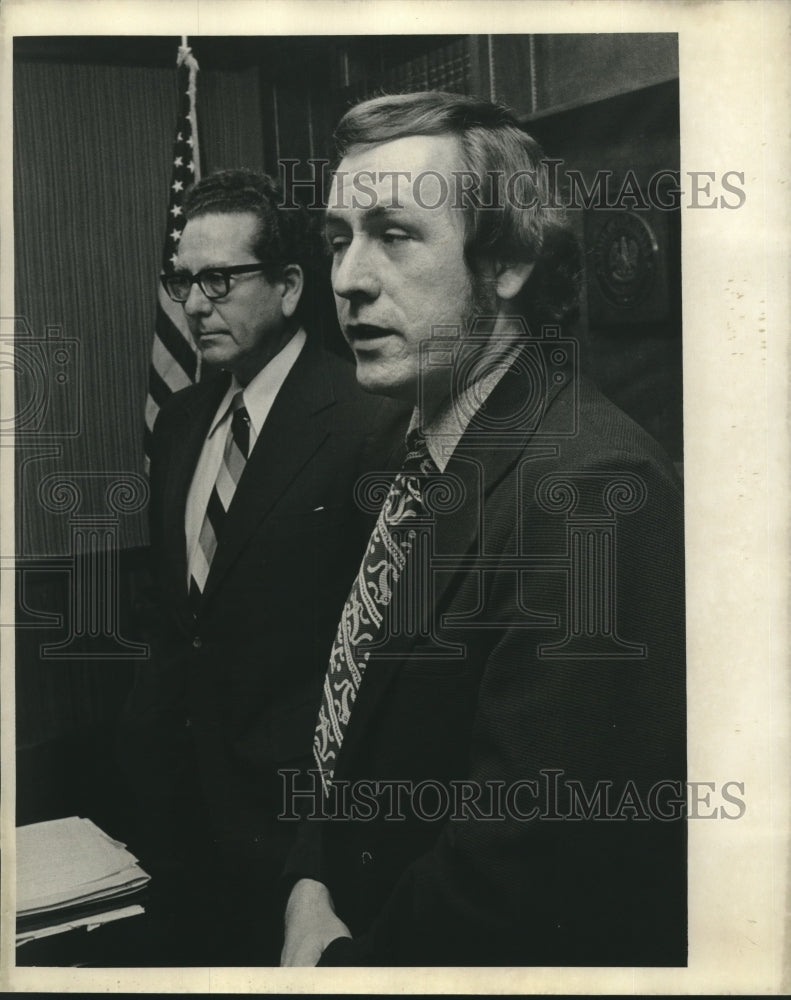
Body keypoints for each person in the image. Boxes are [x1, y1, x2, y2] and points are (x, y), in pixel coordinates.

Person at [280, 92, 686, 967]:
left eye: (393, 234)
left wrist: (336, 968)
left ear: (504, 263)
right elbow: (358, 717)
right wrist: (310, 879)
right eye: (337, 239)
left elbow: (530, 878)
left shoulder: (592, 489)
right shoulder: (407, 443)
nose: (347, 278)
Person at [119, 169, 403, 965]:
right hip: (175, 812)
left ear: (286, 287)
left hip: (296, 828)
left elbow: (376, 655)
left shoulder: (367, 421)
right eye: (182, 281)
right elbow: (175, 617)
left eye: (219, 279)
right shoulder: (180, 421)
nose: (195, 304)